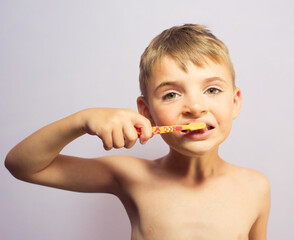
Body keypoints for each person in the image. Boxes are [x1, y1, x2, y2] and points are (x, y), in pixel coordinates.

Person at [5, 24, 270, 240]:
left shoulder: (255, 187)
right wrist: (82, 120)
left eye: (212, 89)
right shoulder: (132, 177)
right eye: (171, 94)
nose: (195, 107)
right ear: (146, 111)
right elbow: (22, 165)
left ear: (234, 102)